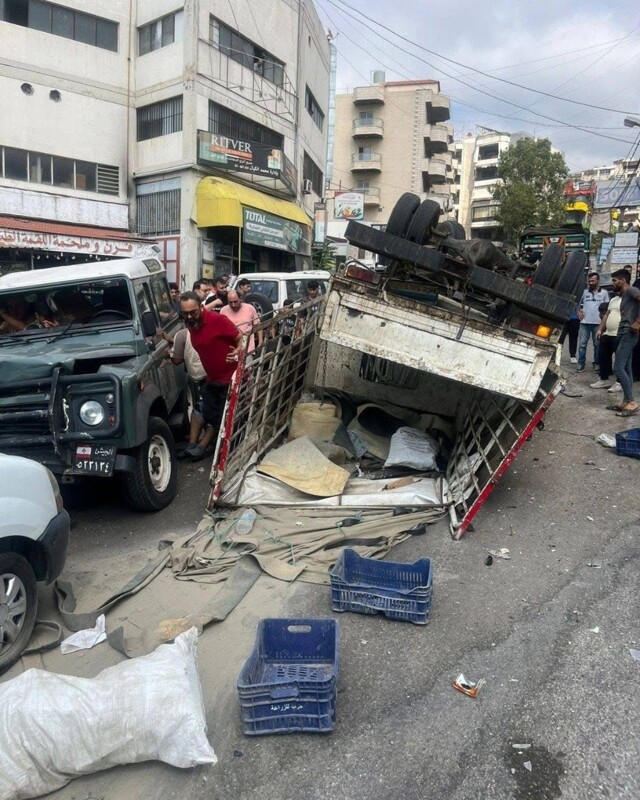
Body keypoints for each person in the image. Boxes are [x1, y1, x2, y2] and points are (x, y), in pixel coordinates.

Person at [178, 291, 242, 457]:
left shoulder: (217, 320)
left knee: (222, 417)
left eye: (193, 312)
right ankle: (203, 446)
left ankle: (212, 451)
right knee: (209, 413)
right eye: (186, 313)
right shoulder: (191, 326)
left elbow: (240, 337)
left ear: (201, 307)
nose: (190, 316)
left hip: (229, 378)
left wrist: (238, 351)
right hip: (212, 378)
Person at [607, 268, 640, 416]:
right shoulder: (625, 294)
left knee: (618, 367)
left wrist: (638, 322)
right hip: (624, 332)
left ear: (623, 280)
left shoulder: (632, 290)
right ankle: (626, 401)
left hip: (629, 333)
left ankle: (632, 402)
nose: (612, 283)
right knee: (626, 368)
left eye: (614, 280)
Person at [576, 272, 609, 373]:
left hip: (598, 323)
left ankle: (597, 364)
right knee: (582, 345)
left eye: (593, 281)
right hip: (585, 322)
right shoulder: (584, 292)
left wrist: (604, 321)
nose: (590, 282)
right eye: (589, 281)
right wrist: (578, 312)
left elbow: (607, 308)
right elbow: (576, 302)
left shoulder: (604, 293)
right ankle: (581, 364)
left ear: (598, 281)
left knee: (597, 345)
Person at [591, 295, 621, 391]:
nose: (612, 283)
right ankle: (604, 379)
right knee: (603, 357)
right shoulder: (613, 300)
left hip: (621, 334)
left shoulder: (630, 299)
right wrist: (600, 329)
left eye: (615, 281)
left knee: (620, 360)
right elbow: (606, 315)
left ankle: (619, 383)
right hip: (608, 334)